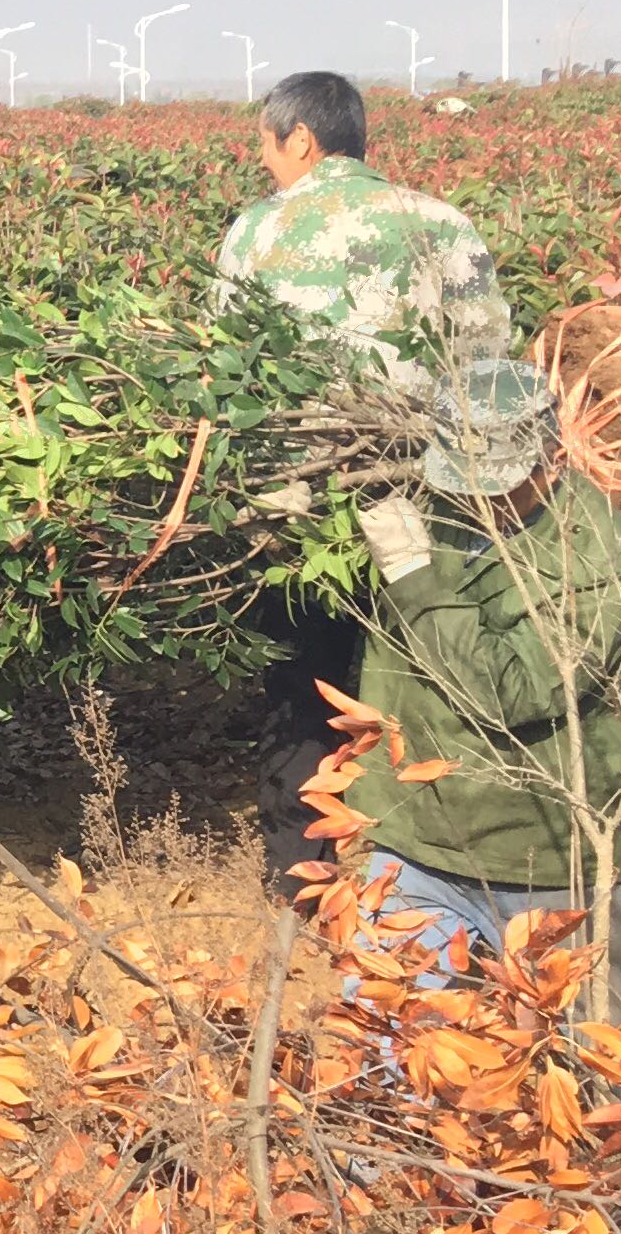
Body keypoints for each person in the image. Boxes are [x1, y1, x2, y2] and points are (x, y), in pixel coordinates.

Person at [214, 70, 513, 881]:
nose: (264, 163)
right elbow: (487, 362)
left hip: (297, 501)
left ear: (300, 139)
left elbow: (233, 368)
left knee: (303, 684)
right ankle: (428, 867)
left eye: (267, 147)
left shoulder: (256, 232)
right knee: (424, 670)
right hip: (424, 495)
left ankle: (300, 875)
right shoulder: (441, 223)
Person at [341, 358, 621, 1017]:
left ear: (553, 460)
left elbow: (510, 695)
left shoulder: (596, 558)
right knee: (398, 1043)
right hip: (416, 838)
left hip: (547, 856)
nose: (478, 499)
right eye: (460, 479)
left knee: (616, 1064)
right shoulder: (430, 499)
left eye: (501, 484)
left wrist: (413, 574)